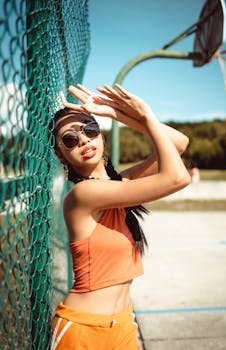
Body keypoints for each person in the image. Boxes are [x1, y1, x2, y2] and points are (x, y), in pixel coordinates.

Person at [50, 83, 191, 350]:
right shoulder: (83, 195)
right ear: (61, 154)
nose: (83, 140)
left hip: (123, 325)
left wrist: (118, 115)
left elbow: (180, 144)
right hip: (82, 332)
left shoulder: (119, 183)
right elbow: (178, 177)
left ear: (101, 135)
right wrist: (146, 114)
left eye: (90, 130)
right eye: (70, 139)